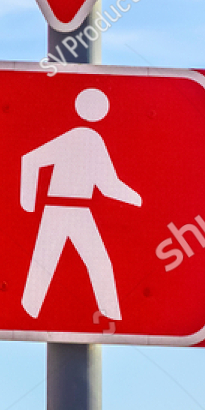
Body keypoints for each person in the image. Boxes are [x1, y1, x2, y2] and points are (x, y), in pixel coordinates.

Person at [20, 88, 141, 320]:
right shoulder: (85, 138)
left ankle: (29, 312)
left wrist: (136, 199)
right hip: (64, 211)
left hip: (70, 211)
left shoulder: (87, 138)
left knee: (61, 264)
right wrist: (27, 203)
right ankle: (109, 316)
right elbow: (30, 160)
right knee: (86, 264)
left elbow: (107, 186)